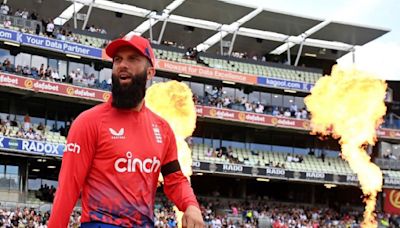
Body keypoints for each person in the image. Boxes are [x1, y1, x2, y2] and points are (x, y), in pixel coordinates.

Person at [48, 34, 204, 227]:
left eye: (132, 59)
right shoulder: (88, 122)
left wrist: (191, 206)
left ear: (149, 73)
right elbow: (67, 188)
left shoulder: (163, 130)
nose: (123, 64)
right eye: (118, 59)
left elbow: (175, 180)